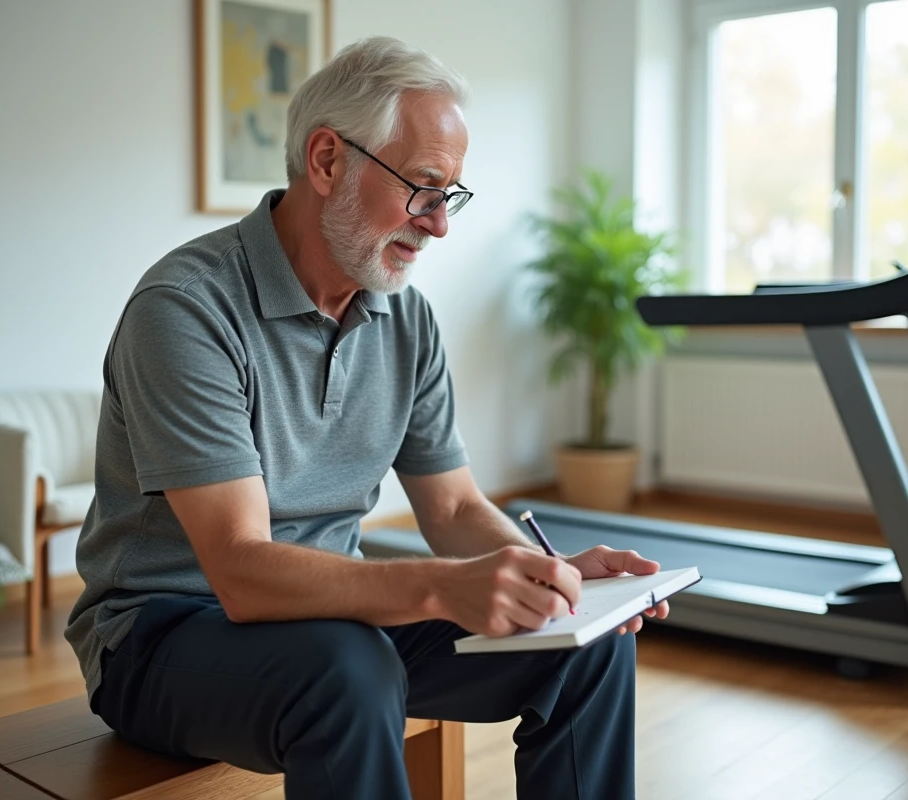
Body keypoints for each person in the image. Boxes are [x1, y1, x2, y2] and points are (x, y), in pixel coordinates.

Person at [65, 35, 669, 800]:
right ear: (326, 162)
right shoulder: (186, 310)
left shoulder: (403, 319)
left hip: (340, 618)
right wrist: (444, 588)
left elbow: (451, 508)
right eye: (423, 186)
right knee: (349, 668)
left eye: (450, 194)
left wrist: (545, 579)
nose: (440, 223)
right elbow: (241, 572)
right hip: (163, 637)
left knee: (587, 648)